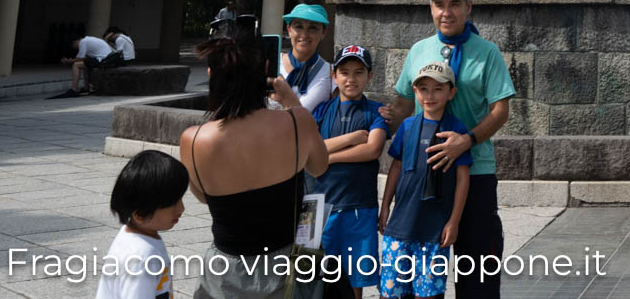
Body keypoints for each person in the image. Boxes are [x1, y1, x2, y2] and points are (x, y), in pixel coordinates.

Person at [386, 0, 515, 299]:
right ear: (431, 9)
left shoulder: (487, 53)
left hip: (475, 172)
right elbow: (403, 102)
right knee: (423, 276)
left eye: (455, 4)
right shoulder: (419, 50)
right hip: (423, 179)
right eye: (439, 4)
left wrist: (467, 141)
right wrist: (379, 121)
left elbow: (501, 110)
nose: (447, 12)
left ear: (468, 8)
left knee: (478, 272)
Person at [181, 37, 330, 298]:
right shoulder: (297, 121)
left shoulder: (193, 139)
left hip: (225, 269)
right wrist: (291, 101)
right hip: (288, 267)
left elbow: (204, 196)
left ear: (211, 76)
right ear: (266, 73)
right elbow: (319, 167)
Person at [379, 61, 472, 299]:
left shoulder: (455, 130)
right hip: (400, 225)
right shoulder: (407, 127)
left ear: (452, 92)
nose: (430, 95)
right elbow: (396, 168)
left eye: (438, 88)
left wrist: (454, 222)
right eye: (423, 89)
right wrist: (385, 206)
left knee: (428, 293)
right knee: (391, 291)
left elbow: (462, 178)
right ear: (415, 92)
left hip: (434, 229)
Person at [313, 46, 390, 297]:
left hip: (358, 207)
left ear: (370, 75)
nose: (351, 78)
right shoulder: (322, 110)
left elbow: (372, 150)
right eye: (344, 72)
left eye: (359, 72)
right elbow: (310, 150)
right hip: (318, 206)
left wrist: (328, 159)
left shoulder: (375, 111)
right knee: (314, 276)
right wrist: (352, 138)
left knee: (354, 279)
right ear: (334, 75)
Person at [97, 149, 190, 299]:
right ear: (140, 214)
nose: (181, 209)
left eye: (180, 199)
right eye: (173, 203)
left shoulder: (133, 236)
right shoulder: (142, 258)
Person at [280, 4, 335, 113]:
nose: (304, 34)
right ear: (289, 30)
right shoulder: (271, 64)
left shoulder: (331, 72)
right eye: (298, 26)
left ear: (323, 33)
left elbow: (347, 108)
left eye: (313, 28)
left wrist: (378, 112)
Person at [61, 33, 118, 97]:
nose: (74, 48)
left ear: (75, 42)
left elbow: (80, 58)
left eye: (73, 45)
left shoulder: (82, 42)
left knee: (76, 65)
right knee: (84, 65)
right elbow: (85, 58)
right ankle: (86, 88)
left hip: (103, 60)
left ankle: (74, 89)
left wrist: (69, 61)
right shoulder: (88, 40)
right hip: (107, 59)